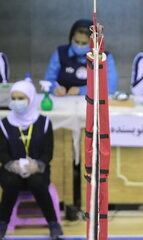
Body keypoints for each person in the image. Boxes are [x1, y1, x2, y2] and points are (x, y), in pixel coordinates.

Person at [0, 80, 63, 240]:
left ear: (31, 99)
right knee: (12, 183)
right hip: (11, 170)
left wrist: (36, 165)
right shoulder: (4, 124)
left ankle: (53, 224)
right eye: (13, 98)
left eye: (21, 98)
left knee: (37, 182)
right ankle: (2, 224)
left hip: (38, 169)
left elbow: (48, 153)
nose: (16, 102)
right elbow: (3, 153)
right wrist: (13, 165)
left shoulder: (44, 122)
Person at [44, 19, 118, 96]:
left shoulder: (104, 57)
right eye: (76, 42)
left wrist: (82, 90)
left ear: (94, 42)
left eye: (84, 43)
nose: (79, 46)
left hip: (91, 102)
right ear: (71, 39)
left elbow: (110, 88)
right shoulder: (60, 52)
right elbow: (48, 81)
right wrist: (55, 88)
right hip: (62, 100)